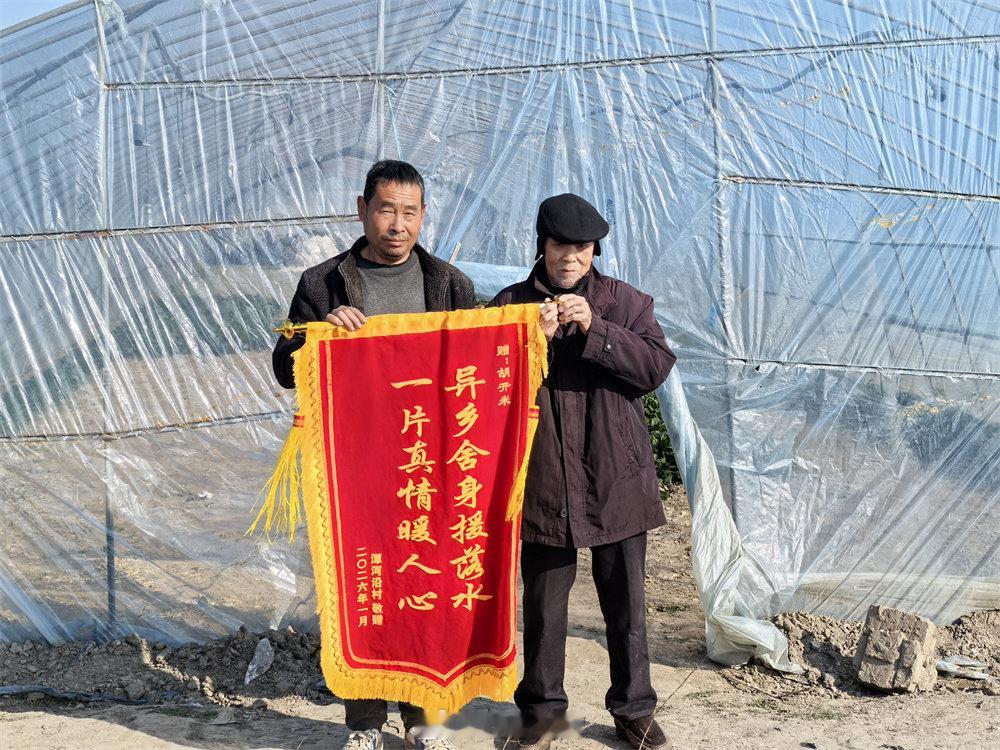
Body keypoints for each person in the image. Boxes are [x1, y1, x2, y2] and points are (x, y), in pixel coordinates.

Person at [273, 159, 473, 750]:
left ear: (422, 216)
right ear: (362, 210)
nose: (397, 224)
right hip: (352, 467)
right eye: (386, 209)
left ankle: (420, 721)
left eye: (409, 212)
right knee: (362, 586)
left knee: (419, 583)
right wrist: (317, 333)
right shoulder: (323, 283)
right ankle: (363, 723)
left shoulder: (448, 284)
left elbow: (475, 363)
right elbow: (284, 367)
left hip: (425, 463)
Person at [491, 194, 676, 750]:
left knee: (626, 603)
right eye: (559, 246)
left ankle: (633, 709)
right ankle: (543, 714)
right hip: (543, 479)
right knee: (544, 606)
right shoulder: (510, 305)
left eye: (581, 248)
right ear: (541, 246)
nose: (570, 257)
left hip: (615, 477)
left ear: (594, 251)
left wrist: (598, 329)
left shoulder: (626, 303)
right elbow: (486, 388)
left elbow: (655, 368)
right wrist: (529, 340)